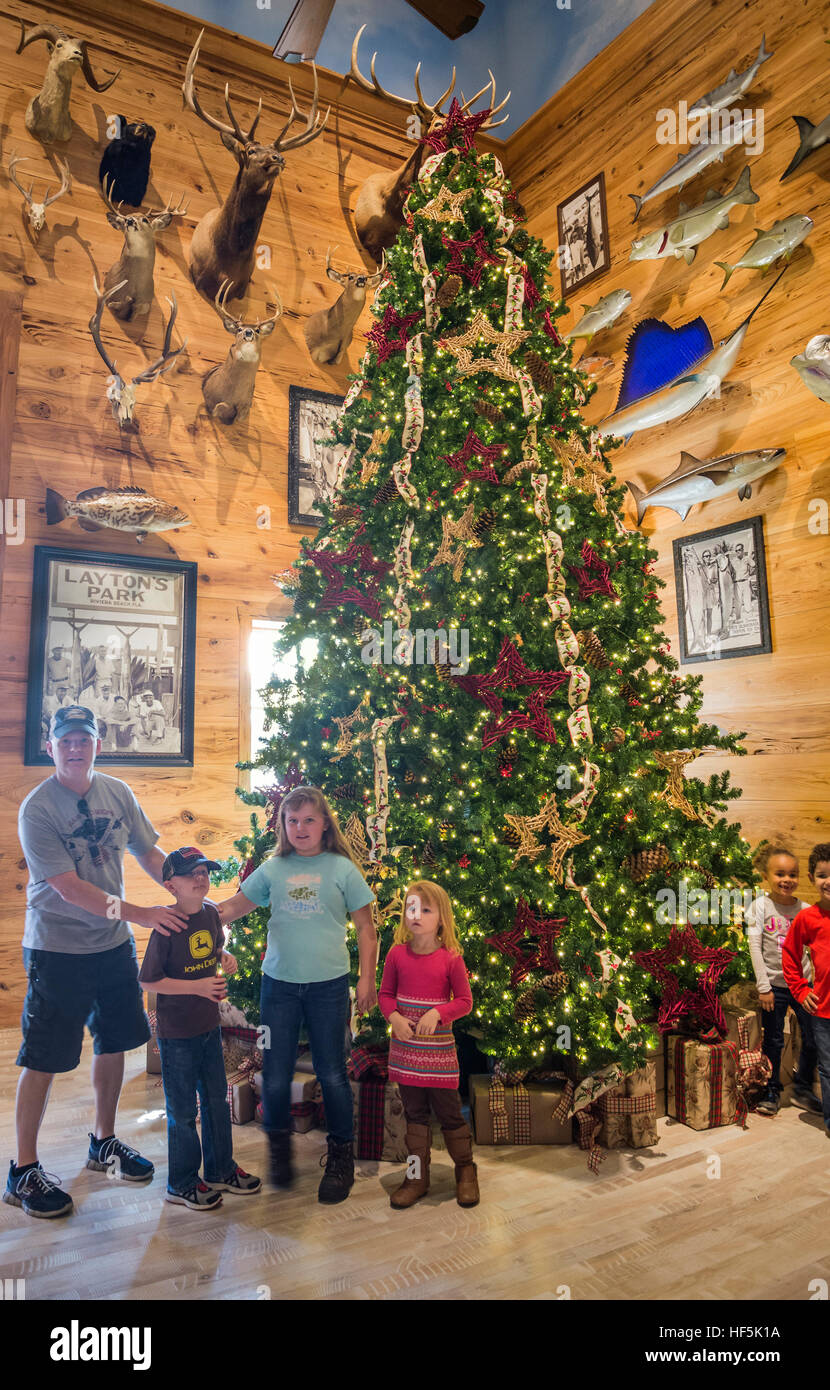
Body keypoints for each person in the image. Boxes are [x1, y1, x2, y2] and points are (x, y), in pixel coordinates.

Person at [3, 706, 188, 1220]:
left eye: (84, 739)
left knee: (114, 1042)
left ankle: (103, 1143)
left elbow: (149, 853)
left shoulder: (117, 793)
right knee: (43, 1057)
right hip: (56, 950)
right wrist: (142, 914)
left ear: (97, 745)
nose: (75, 748)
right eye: (66, 741)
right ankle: (23, 1170)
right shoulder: (37, 809)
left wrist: (183, 887)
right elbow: (71, 890)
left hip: (111, 946)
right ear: (51, 747)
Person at [217, 786, 377, 1204]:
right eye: (292, 821)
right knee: (275, 1071)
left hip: (328, 987)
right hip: (280, 987)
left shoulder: (342, 869)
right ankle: (279, 1151)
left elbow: (365, 927)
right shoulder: (273, 870)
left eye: (309, 819)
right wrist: (194, 913)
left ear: (325, 823)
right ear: (282, 827)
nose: (300, 828)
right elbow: (232, 908)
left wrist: (366, 981)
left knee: (331, 1072)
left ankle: (341, 1158)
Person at [138, 847, 261, 1210]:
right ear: (170, 885)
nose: (201, 877)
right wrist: (196, 987)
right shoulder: (166, 925)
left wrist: (224, 957)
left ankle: (221, 1169)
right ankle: (182, 1182)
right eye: (191, 872)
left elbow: (212, 950)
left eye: (205, 871)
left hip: (209, 1027)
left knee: (215, 1102)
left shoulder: (210, 914)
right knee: (182, 1111)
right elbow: (148, 981)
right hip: (177, 1034)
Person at [379, 880, 478, 1209]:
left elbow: (464, 1001)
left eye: (425, 909)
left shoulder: (451, 958)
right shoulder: (396, 955)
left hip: (438, 1055)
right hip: (406, 1055)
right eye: (410, 908)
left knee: (450, 1113)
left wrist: (438, 1012)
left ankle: (466, 1170)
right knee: (415, 1115)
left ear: (441, 918)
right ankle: (416, 1177)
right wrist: (392, 1017)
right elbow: (385, 995)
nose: (416, 914)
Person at [746, 844, 821, 1116]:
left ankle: (802, 1087)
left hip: (803, 987)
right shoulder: (759, 907)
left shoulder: (806, 910)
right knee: (774, 1041)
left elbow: (817, 950)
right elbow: (755, 949)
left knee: (814, 1037)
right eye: (780, 874)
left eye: (792, 874)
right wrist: (763, 987)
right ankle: (772, 1090)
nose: (786, 880)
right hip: (774, 989)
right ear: (767, 876)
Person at [782, 843, 830, 1135]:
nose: (829, 882)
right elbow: (789, 954)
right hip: (823, 1009)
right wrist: (800, 990)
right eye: (823, 875)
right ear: (813, 878)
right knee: (827, 1067)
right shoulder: (807, 918)